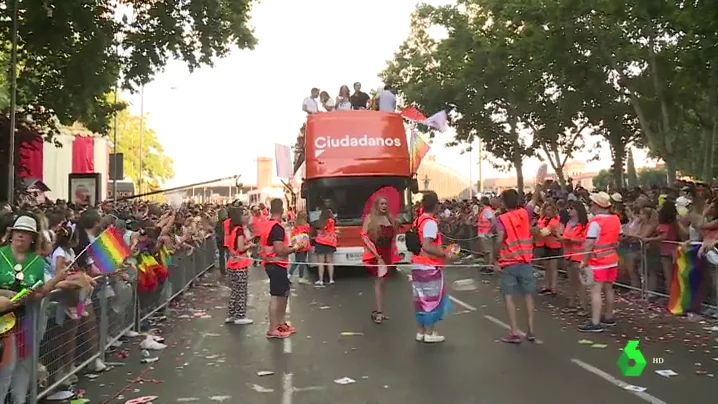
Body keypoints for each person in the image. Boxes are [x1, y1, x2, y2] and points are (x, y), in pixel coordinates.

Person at [0, 214, 66, 403]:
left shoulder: (37, 262)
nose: (21, 236)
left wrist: (56, 279)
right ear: (11, 234)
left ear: (32, 238)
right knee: (5, 368)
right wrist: (5, 294)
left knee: (22, 366)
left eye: (26, 233)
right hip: (2, 318)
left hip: (24, 320)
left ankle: (19, 400)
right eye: (18, 231)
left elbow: (40, 292)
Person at [411, 191, 455, 343]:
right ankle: (429, 332)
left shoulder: (418, 220)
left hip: (418, 264)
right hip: (429, 266)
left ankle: (420, 332)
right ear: (436, 205)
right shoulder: (430, 222)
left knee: (420, 299)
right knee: (432, 299)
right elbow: (428, 246)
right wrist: (444, 252)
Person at [495, 189, 537, 344]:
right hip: (526, 261)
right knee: (528, 295)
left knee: (508, 296)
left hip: (509, 262)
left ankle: (514, 332)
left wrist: (495, 256)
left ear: (504, 202)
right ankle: (531, 330)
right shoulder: (525, 213)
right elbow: (533, 201)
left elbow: (500, 239)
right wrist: (538, 188)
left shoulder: (502, 219)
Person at [578, 192, 621, 333]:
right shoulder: (615, 219)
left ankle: (595, 322)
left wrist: (584, 261)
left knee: (595, 291)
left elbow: (589, 244)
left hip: (598, 261)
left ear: (597, 205)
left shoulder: (595, 222)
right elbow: (618, 237)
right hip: (612, 259)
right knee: (609, 288)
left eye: (591, 203)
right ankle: (609, 316)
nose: (590, 205)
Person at [260, 198, 299, 339]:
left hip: (272, 263)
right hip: (276, 263)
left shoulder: (266, 225)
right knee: (276, 296)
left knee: (283, 293)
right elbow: (280, 249)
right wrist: (295, 248)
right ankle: (272, 328)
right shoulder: (277, 228)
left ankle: (280, 324)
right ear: (282, 210)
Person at [361, 196, 398, 324]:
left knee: (383, 282)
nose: (384, 206)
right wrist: (376, 255)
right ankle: (379, 313)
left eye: (386, 204)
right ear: (376, 205)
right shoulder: (370, 218)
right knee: (379, 280)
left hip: (387, 253)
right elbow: (364, 235)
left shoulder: (390, 218)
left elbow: (393, 236)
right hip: (377, 253)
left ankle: (379, 309)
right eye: (382, 203)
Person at [558, 200, 589, 315]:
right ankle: (572, 303)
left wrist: (569, 240)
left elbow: (585, 239)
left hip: (579, 256)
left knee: (581, 282)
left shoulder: (585, 224)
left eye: (571, 208)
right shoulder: (568, 223)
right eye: (568, 208)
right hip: (568, 255)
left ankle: (582, 305)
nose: (569, 210)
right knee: (571, 281)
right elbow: (562, 234)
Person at [225, 206, 254, 325]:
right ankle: (240, 315)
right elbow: (241, 248)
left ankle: (231, 314)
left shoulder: (231, 229)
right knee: (241, 290)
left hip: (232, 263)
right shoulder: (239, 230)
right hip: (240, 263)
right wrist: (250, 246)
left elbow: (232, 246)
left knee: (234, 290)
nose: (247, 216)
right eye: (244, 214)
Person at [535, 202, 561, 296]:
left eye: (550, 210)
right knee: (546, 267)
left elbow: (545, 231)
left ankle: (553, 286)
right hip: (543, 244)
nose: (548, 212)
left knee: (553, 267)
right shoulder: (541, 219)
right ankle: (547, 285)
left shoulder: (555, 219)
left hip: (554, 245)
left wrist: (536, 231)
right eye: (547, 209)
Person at [314, 208, 337, 286]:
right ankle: (331, 279)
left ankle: (321, 280)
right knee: (330, 262)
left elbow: (318, 231)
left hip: (320, 242)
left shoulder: (320, 222)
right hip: (330, 242)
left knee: (321, 262)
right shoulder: (332, 221)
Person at [288, 211, 311, 284]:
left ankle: (289, 275)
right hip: (304, 245)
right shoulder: (306, 226)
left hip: (297, 246)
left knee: (297, 260)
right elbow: (308, 233)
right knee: (302, 262)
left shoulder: (296, 226)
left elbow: (293, 236)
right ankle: (300, 278)